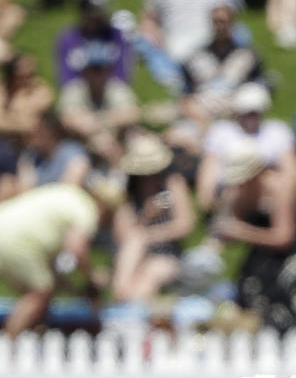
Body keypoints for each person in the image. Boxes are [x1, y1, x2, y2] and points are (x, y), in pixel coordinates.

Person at [208, 139, 296, 331]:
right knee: (248, 287)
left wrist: (241, 232)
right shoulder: (238, 191)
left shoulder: (278, 188)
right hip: (264, 251)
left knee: (288, 288)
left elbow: (284, 237)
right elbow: (222, 227)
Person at [0, 178, 121, 337]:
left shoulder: (71, 195)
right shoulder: (87, 210)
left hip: (7, 228)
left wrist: (73, 289)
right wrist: (92, 276)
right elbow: (77, 250)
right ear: (105, 208)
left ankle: (30, 339)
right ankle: (9, 348)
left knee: (36, 296)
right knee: (40, 294)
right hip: (15, 241)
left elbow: (54, 269)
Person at [111, 132, 194, 303]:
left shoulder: (173, 183)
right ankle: (124, 295)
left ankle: (126, 306)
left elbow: (185, 225)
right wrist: (147, 216)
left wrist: (150, 236)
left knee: (151, 270)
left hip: (166, 254)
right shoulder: (129, 193)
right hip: (134, 255)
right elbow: (122, 234)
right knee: (135, 241)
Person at [196, 82, 296, 212]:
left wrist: (287, 196)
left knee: (273, 181)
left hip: (267, 191)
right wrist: (206, 197)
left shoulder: (277, 132)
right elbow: (209, 169)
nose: (250, 117)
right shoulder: (221, 132)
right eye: (246, 112)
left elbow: (290, 170)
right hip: (232, 189)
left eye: (254, 112)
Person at [56, 0, 132, 86]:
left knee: (122, 96)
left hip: (111, 87)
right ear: (84, 12)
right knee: (71, 97)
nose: (99, 15)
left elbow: (122, 74)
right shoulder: (68, 38)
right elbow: (66, 77)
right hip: (79, 88)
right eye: (94, 11)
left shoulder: (116, 35)